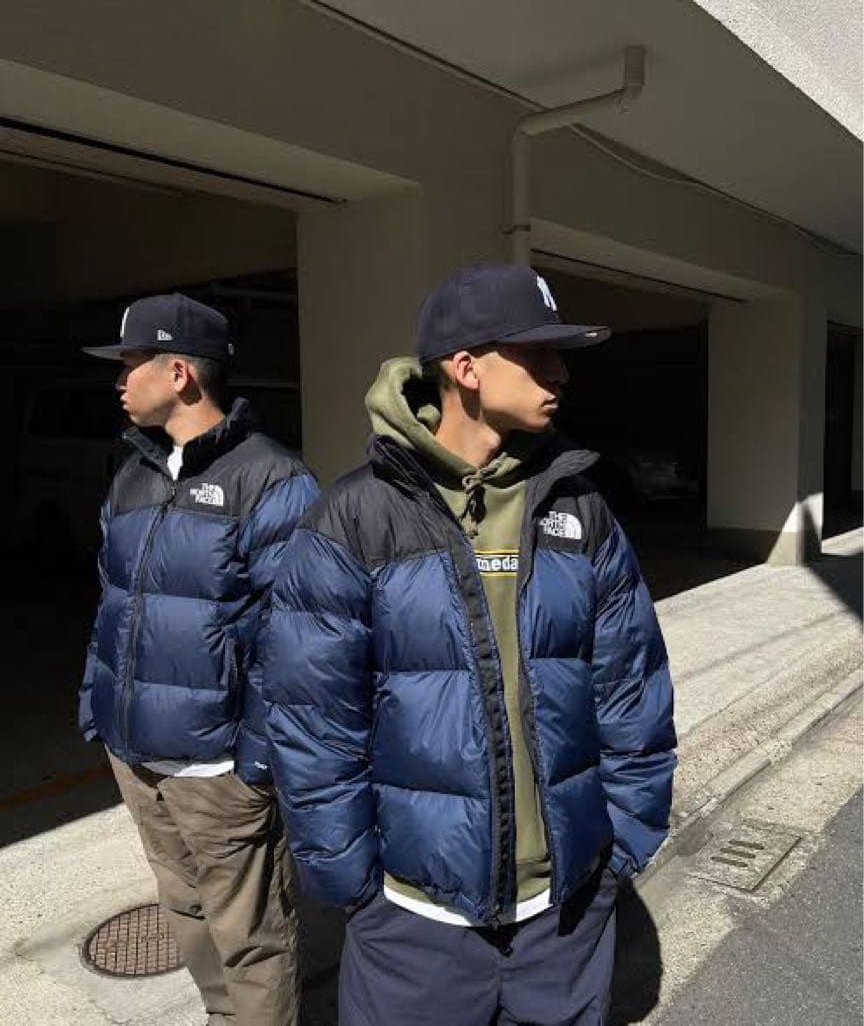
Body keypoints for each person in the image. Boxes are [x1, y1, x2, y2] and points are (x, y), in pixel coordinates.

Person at [263, 262, 677, 1025]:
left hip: (564, 918)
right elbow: (312, 720)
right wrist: (357, 886)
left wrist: (620, 848)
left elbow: (632, 687)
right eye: (536, 352)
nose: (559, 372)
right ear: (465, 368)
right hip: (414, 926)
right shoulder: (355, 518)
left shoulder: (580, 510)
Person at [78, 293, 317, 1026]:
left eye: (130, 364)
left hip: (218, 774)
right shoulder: (133, 473)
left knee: (254, 943)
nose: (119, 381)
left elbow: (297, 639)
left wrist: (255, 764)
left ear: (178, 373)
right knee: (185, 915)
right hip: (135, 757)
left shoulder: (271, 480)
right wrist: (98, 706)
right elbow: (112, 602)